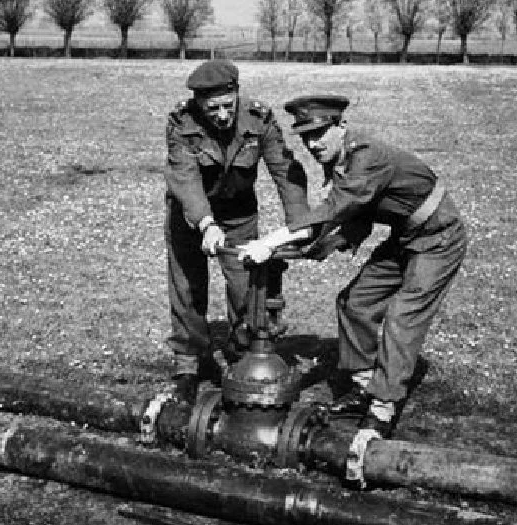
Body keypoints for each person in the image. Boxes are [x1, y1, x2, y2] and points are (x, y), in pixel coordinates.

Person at [238, 95, 467, 438]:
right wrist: (298, 249)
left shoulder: (367, 157)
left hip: (438, 237)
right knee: (354, 302)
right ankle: (364, 386)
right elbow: (352, 222)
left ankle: (382, 408)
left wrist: (269, 241)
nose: (312, 145)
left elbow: (334, 209)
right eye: (305, 138)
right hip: (405, 236)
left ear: (340, 127)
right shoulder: (340, 161)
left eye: (319, 134)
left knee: (403, 317)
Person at [164, 60, 309, 403]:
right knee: (187, 290)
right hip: (191, 215)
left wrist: (301, 226)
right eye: (212, 108)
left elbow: (285, 170)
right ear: (198, 104)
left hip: (240, 214)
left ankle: (241, 351)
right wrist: (205, 223)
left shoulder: (260, 119)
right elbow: (184, 176)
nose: (222, 115)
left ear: (237, 94)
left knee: (248, 289)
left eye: (227, 105)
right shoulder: (181, 122)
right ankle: (189, 364)